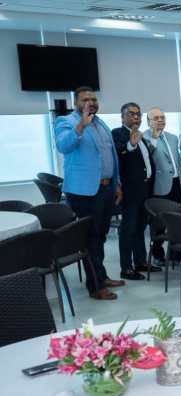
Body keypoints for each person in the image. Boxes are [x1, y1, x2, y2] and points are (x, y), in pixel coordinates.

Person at [54, 87, 124, 300]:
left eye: (93, 99)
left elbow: (110, 156)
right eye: (85, 99)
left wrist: (117, 183)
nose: (91, 102)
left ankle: (101, 276)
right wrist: (81, 126)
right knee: (90, 238)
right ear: (76, 102)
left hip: (106, 188)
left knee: (100, 236)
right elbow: (63, 146)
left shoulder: (100, 123)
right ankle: (95, 286)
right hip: (84, 192)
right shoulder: (65, 121)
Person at [111, 103, 161, 280]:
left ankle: (140, 262)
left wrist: (151, 141)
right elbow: (119, 154)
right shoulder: (117, 133)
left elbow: (144, 158)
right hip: (130, 190)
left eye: (138, 114)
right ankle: (126, 268)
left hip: (145, 188)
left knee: (140, 227)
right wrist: (131, 144)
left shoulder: (141, 135)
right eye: (131, 114)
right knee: (128, 229)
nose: (136, 117)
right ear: (122, 117)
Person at [144, 107, 181, 265]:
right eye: (156, 118)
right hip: (159, 185)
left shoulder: (173, 138)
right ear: (149, 122)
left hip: (176, 183)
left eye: (162, 117)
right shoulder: (144, 137)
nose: (160, 120)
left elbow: (177, 162)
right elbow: (147, 157)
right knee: (159, 223)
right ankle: (157, 254)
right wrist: (154, 138)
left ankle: (176, 253)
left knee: (179, 220)